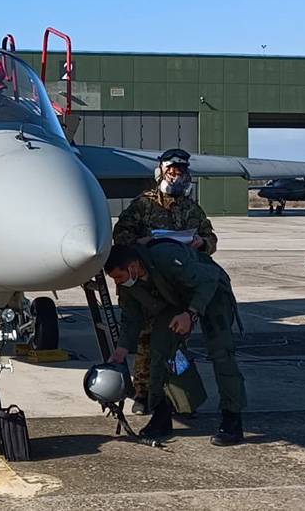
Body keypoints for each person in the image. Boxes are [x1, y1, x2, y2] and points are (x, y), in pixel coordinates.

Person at [104, 242, 246, 446]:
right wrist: (120, 350)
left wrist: (191, 313)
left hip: (212, 292)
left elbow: (208, 279)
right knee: (159, 350)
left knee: (221, 353)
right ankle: (162, 413)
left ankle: (232, 419)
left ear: (133, 267)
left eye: (119, 277)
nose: (118, 282)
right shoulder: (129, 283)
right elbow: (131, 317)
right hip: (175, 298)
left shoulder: (166, 257)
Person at [112, 148, 218, 415]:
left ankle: (174, 394)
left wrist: (201, 243)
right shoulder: (143, 205)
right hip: (144, 283)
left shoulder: (192, 209)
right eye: (171, 170)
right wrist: (141, 243)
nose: (176, 175)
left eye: (181, 171)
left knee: (173, 342)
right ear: (161, 171)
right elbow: (120, 235)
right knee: (145, 339)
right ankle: (143, 393)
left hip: (175, 287)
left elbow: (211, 239)